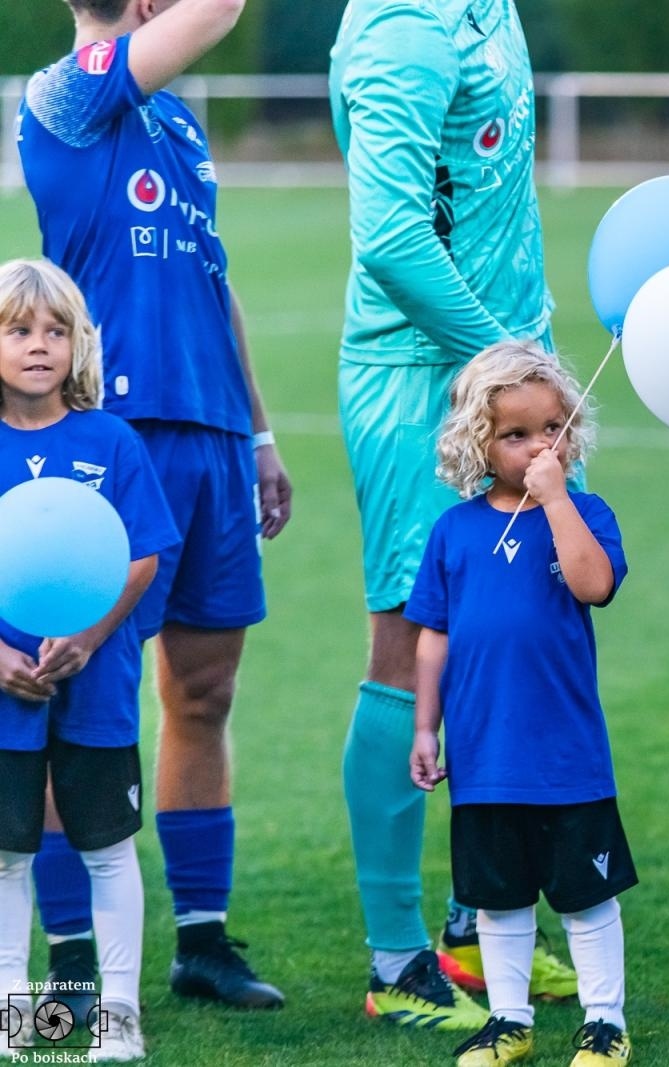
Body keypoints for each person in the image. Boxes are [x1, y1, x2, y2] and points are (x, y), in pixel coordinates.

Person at [16, 0, 292, 1010]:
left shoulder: (178, 122)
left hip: (212, 432)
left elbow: (214, 279)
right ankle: (74, 953)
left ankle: (203, 940)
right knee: (76, 696)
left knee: (203, 693)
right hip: (113, 438)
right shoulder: (69, 90)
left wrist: (257, 432)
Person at [329, 0, 579, 1022]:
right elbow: (391, 233)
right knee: (411, 643)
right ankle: (397, 962)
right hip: (420, 382)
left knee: (503, 640)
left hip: (498, 375)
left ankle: (482, 924)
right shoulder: (401, 27)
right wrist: (505, 368)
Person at [407, 341, 635, 1067]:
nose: (538, 445)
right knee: (497, 897)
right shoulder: (454, 531)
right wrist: (424, 725)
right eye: (515, 434)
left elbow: (593, 583)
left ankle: (605, 1020)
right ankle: (509, 1018)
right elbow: (433, 638)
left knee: (584, 893)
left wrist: (559, 498)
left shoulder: (585, 513)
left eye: (551, 429)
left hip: (567, 756)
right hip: (483, 755)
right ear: (480, 443)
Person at [0, 259, 180, 1061]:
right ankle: (13, 1012)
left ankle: (116, 1015)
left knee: (106, 845)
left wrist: (90, 636)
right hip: (5, 684)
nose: (39, 346)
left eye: (55, 330)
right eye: (17, 330)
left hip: (96, 678)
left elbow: (143, 552)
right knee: (6, 853)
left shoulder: (111, 440)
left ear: (79, 344)